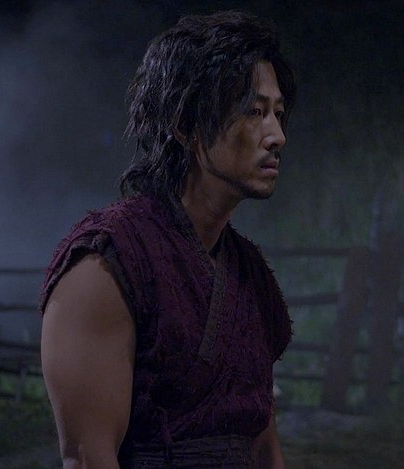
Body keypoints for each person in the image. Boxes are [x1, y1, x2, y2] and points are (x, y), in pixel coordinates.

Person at [39, 10, 296, 469]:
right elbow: (89, 458)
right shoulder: (107, 265)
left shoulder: (248, 274)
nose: (277, 135)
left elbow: (262, 443)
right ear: (187, 125)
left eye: (278, 113)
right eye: (254, 112)